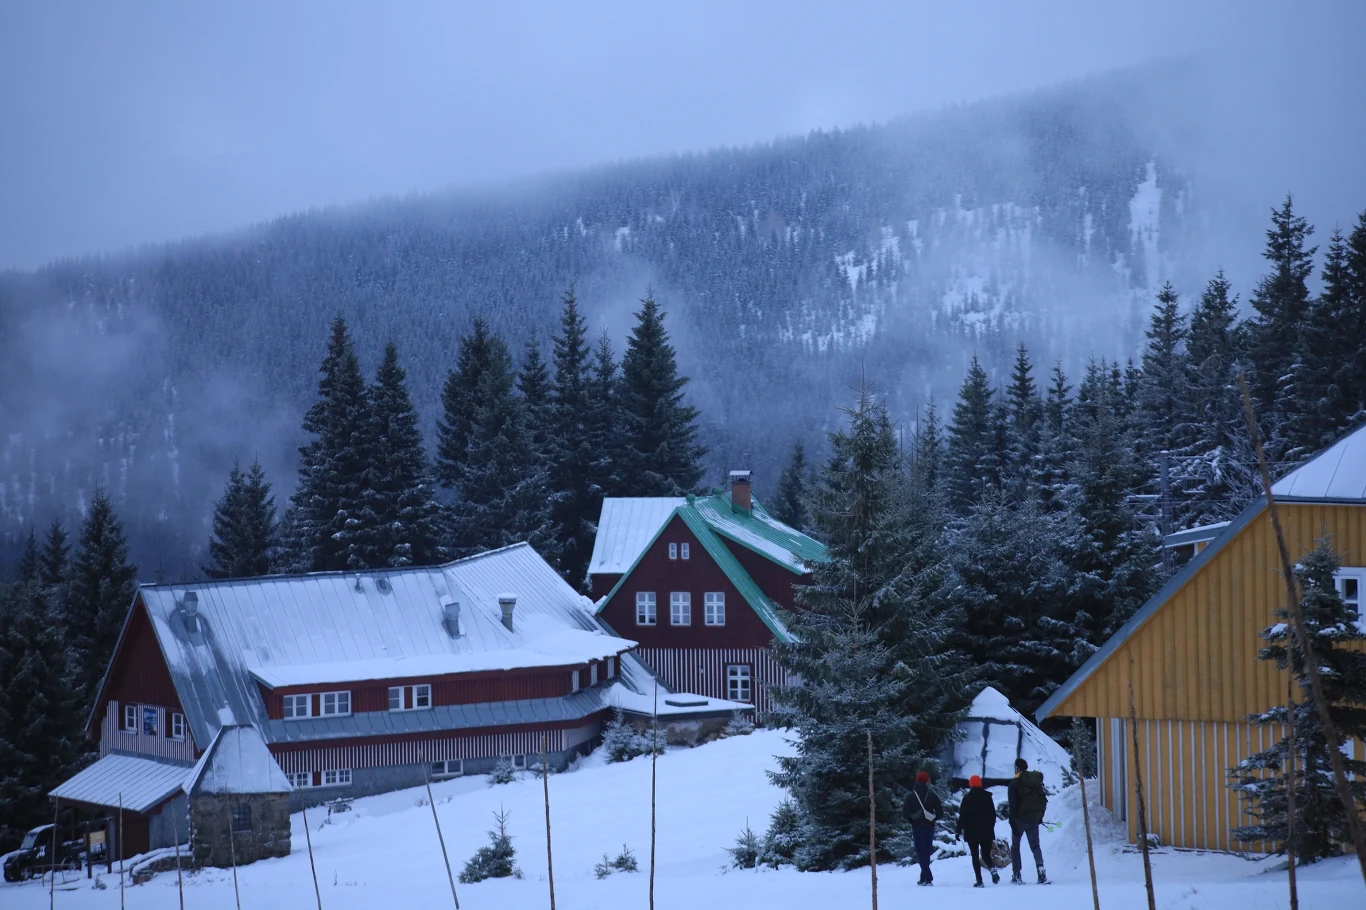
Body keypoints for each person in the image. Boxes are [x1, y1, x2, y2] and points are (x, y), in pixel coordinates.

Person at [1007, 758, 1048, 884]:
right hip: (1033, 819)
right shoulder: (1035, 782)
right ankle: (1040, 869)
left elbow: (1012, 805)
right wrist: (1039, 817)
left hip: (1019, 820)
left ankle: (1017, 875)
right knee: (1035, 846)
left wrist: (1012, 822)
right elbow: (1041, 800)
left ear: (1017, 768)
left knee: (1015, 846)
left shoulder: (1014, 784)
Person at [956, 775, 999, 887]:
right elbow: (993, 815)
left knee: (975, 856)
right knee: (985, 855)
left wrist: (958, 830)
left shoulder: (967, 798)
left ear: (970, 784)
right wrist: (990, 827)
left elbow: (963, 816)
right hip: (987, 832)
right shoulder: (988, 798)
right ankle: (992, 869)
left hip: (972, 832)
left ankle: (979, 881)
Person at [902, 770, 943, 886]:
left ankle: (928, 878)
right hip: (929, 827)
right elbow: (940, 813)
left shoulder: (910, 796)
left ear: (916, 780)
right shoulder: (932, 795)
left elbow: (905, 814)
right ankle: (923, 878)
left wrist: (913, 821)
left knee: (921, 853)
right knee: (927, 852)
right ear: (927, 781)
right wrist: (932, 819)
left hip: (917, 827)